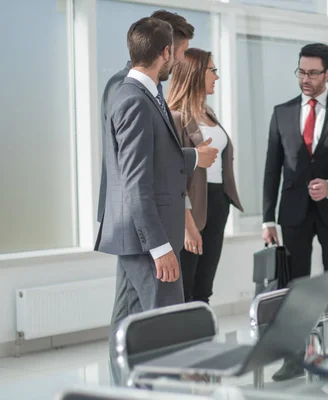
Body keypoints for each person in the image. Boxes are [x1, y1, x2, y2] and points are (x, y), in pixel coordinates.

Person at [94, 17, 218, 384]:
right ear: (165, 52)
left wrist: (192, 158)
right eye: (177, 54)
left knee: (129, 327)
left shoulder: (147, 93)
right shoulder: (132, 97)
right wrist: (161, 246)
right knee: (167, 332)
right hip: (148, 235)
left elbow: (156, 158)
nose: (178, 62)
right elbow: (135, 180)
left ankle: (125, 391)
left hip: (140, 232)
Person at [262, 43, 328, 381]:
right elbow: (271, 168)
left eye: (312, 73)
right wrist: (267, 217)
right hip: (292, 214)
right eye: (301, 72)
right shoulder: (281, 112)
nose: (304, 79)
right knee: (296, 288)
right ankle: (293, 360)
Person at [97, 9, 199, 225]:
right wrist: (194, 156)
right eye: (182, 51)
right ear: (167, 48)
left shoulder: (152, 87)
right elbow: (136, 165)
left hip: (153, 213)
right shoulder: (125, 88)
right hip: (134, 219)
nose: (181, 59)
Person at [168, 48, 244, 303]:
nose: (216, 77)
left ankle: (203, 341)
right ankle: (185, 341)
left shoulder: (209, 113)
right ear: (195, 73)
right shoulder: (175, 117)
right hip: (191, 207)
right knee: (186, 287)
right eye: (212, 70)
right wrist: (187, 225)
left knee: (204, 286)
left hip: (218, 202)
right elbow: (171, 176)